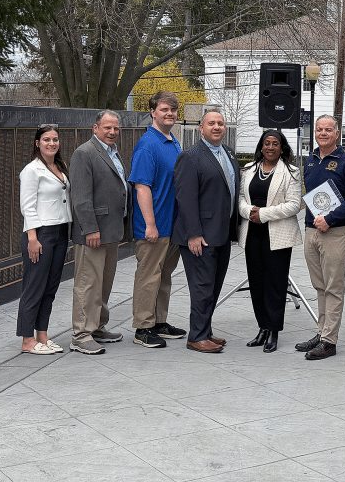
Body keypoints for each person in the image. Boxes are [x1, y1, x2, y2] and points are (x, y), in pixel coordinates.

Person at [296, 114, 345, 360]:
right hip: (312, 230)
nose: (323, 133)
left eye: (328, 130)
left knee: (333, 287)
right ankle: (322, 331)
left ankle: (329, 341)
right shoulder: (311, 160)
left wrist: (330, 219)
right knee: (320, 286)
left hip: (336, 232)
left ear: (337, 134)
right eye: (319, 129)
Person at [173, 110, 240, 354]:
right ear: (201, 128)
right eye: (211, 123)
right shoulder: (190, 157)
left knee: (213, 287)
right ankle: (196, 336)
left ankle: (206, 330)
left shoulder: (228, 154)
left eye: (220, 123)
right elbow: (186, 198)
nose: (216, 127)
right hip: (199, 237)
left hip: (221, 234)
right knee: (201, 287)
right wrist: (193, 234)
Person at [69, 110, 132, 355]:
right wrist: (90, 229)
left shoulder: (113, 153)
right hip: (93, 233)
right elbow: (81, 198)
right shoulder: (84, 153)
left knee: (103, 283)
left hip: (112, 230)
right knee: (87, 283)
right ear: (95, 128)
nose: (112, 132)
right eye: (107, 127)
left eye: (115, 128)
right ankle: (81, 334)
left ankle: (97, 327)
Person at [129, 91, 187, 348]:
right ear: (153, 112)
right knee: (148, 276)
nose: (170, 114)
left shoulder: (173, 141)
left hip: (173, 225)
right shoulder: (147, 144)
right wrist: (150, 224)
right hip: (154, 226)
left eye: (173, 110)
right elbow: (142, 187)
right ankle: (143, 327)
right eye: (164, 110)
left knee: (164, 276)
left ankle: (159, 321)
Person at [238, 130, 303, 353]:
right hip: (252, 232)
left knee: (275, 283)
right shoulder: (248, 170)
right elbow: (240, 200)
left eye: (275, 143)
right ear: (261, 146)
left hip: (278, 235)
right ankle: (262, 328)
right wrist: (250, 212)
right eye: (267, 143)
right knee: (256, 283)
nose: (270, 147)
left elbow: (294, 205)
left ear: (282, 148)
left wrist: (263, 214)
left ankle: (273, 330)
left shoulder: (291, 172)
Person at [17, 124, 72, 355]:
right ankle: (28, 341)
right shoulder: (32, 170)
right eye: (47, 139)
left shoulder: (60, 166)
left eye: (55, 139)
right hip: (40, 234)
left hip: (60, 232)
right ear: (37, 143)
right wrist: (33, 238)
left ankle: (42, 335)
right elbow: (27, 207)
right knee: (34, 287)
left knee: (50, 287)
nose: (52, 143)